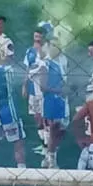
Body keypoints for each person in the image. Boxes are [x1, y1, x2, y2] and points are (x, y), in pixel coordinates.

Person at [40, 37, 70, 169]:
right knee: (53, 129)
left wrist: (67, 89)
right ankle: (51, 161)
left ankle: (49, 156)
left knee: (61, 131)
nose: (56, 48)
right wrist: (59, 90)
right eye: (53, 45)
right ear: (48, 46)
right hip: (51, 100)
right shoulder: (45, 64)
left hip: (62, 100)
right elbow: (43, 86)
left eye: (58, 45)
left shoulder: (62, 61)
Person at [23, 29, 48, 153]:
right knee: (37, 117)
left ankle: (49, 146)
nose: (37, 38)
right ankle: (44, 144)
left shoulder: (48, 50)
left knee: (46, 118)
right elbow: (27, 69)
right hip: (33, 89)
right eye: (35, 36)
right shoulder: (30, 51)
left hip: (44, 89)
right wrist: (24, 86)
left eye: (40, 36)